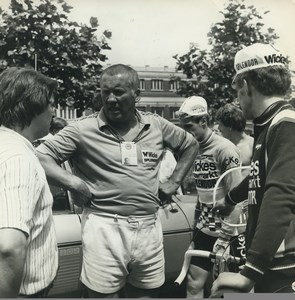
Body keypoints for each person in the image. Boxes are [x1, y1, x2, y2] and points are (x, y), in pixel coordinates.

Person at [36, 64, 198, 298]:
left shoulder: (156, 125)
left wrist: (174, 182)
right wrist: (74, 183)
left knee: (147, 294)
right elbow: (41, 157)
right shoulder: (82, 129)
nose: (110, 99)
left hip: (149, 225)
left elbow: (190, 144)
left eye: (119, 92)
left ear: (137, 95)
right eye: (105, 92)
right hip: (104, 226)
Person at [211, 43, 295, 296]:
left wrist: (250, 272)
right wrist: (229, 198)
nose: (237, 97)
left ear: (246, 86)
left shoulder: (284, 124)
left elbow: (281, 193)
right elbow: (260, 176)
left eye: (237, 89)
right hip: (277, 263)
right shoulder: (273, 123)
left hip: (284, 266)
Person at [177, 96, 243, 299]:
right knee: (193, 283)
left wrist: (225, 236)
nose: (186, 133)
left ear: (203, 122)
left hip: (229, 232)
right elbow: (202, 192)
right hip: (205, 229)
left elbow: (238, 198)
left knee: (229, 290)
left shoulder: (225, 149)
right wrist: (196, 226)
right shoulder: (193, 148)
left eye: (189, 127)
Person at [0, 67, 58, 297]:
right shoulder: (18, 158)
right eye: (51, 104)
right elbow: (9, 247)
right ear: (34, 107)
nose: (54, 112)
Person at [216, 103, 254, 175]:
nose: (218, 128)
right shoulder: (222, 146)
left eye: (220, 125)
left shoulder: (252, 145)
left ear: (230, 126)